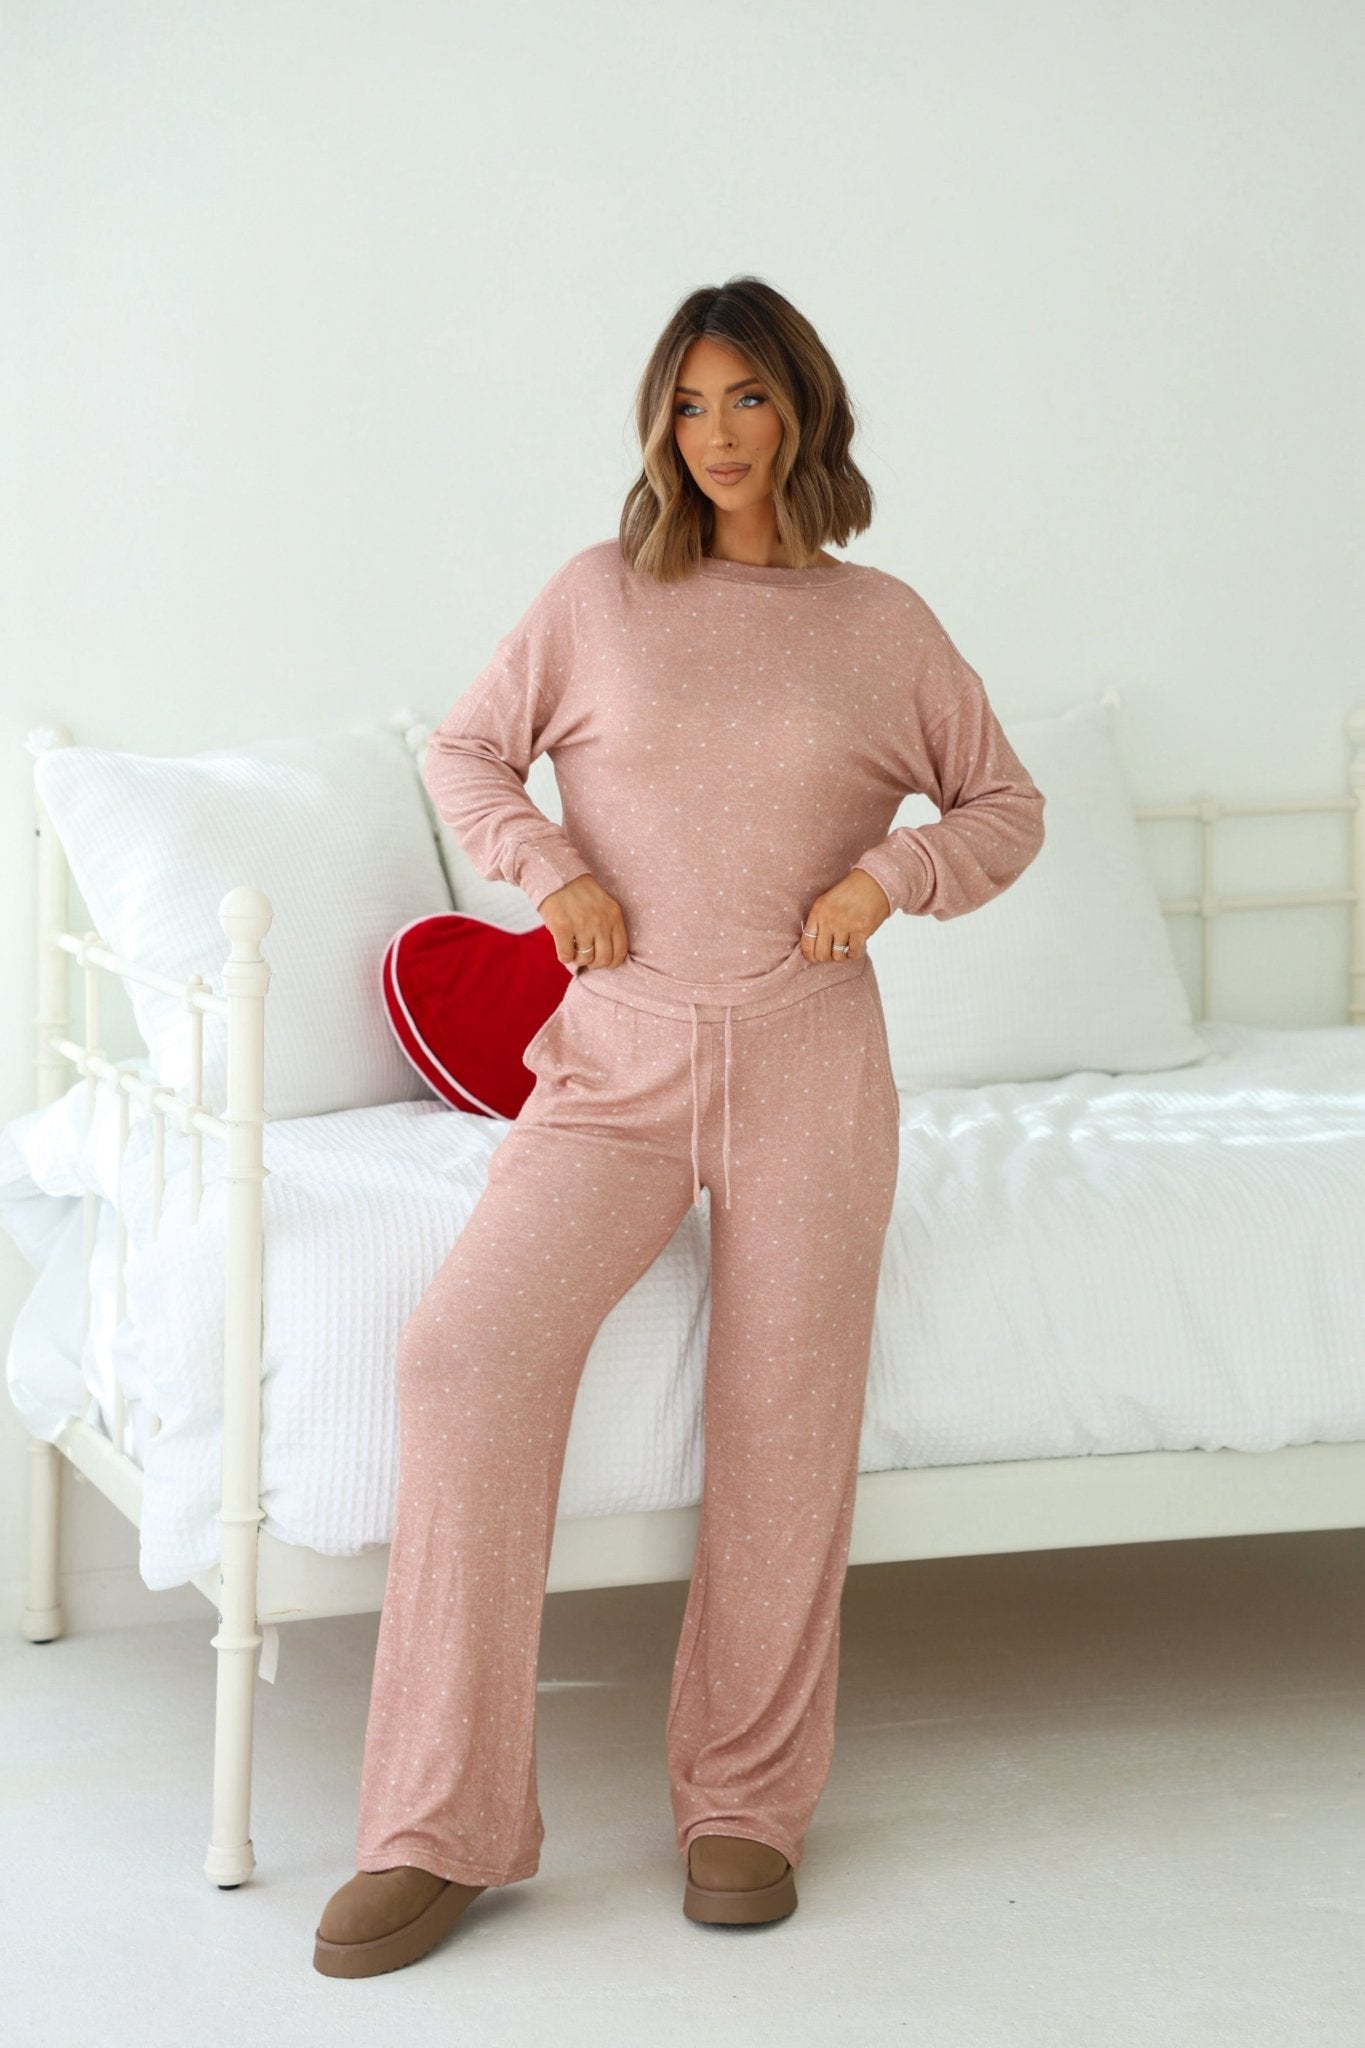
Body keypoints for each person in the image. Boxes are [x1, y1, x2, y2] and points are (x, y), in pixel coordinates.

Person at [313, 275, 1046, 1977]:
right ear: (659, 424)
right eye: (689, 404)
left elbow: (1004, 806)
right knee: (464, 1354)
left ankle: (745, 1803)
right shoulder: (597, 596)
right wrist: (550, 871)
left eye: (748, 399)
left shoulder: (881, 624)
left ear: (804, 411)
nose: (716, 435)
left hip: (808, 1064)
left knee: (784, 1426)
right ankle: (438, 1825)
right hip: (615, 1066)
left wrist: (891, 875)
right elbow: (468, 756)